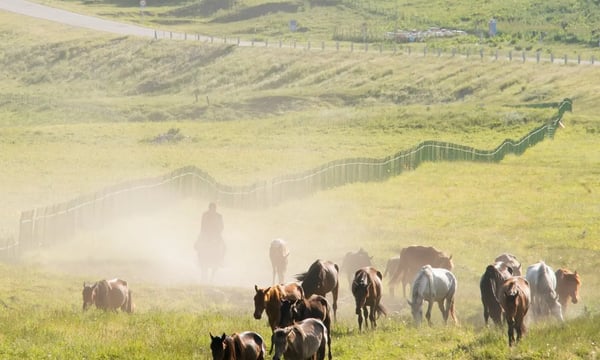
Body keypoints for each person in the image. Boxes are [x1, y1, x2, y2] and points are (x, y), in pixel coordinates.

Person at [195, 202, 225, 279]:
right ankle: (200, 260)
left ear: (215, 209)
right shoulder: (205, 215)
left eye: (213, 209)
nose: (212, 210)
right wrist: (204, 233)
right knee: (197, 245)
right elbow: (202, 225)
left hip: (215, 234)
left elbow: (221, 226)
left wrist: (217, 232)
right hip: (205, 233)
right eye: (211, 209)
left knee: (224, 246)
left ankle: (221, 260)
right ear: (209, 209)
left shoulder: (219, 216)